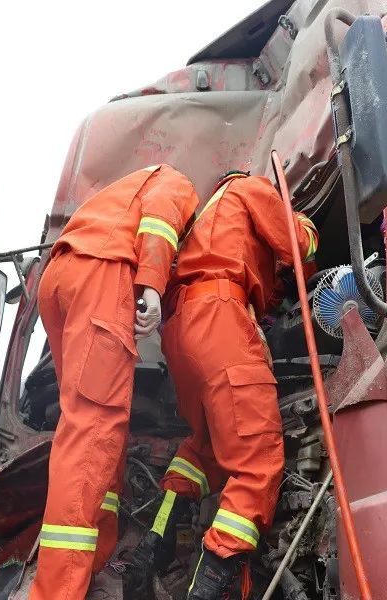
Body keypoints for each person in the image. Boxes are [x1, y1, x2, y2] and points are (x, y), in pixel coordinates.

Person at [133, 170, 318, 599]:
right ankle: (209, 588)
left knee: (207, 447)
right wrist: (305, 225)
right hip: (220, 317)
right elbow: (297, 243)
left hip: (180, 331)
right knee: (257, 463)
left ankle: (153, 544)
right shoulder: (248, 187)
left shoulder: (204, 227)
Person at [29, 164, 200, 600]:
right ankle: (59, 590)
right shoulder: (179, 183)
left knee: (98, 431)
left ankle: (98, 558)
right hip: (102, 273)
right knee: (93, 428)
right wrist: (153, 286)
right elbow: (161, 216)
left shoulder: (120, 193)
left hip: (61, 277)